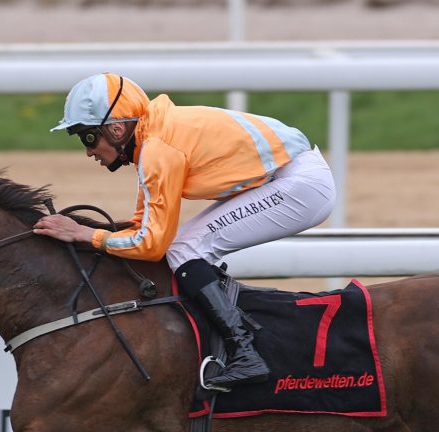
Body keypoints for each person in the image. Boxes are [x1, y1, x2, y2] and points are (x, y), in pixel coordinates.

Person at [33, 72, 337, 389]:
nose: (88, 151)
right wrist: (92, 234)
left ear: (116, 129)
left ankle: (244, 351)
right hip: (289, 177)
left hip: (299, 187)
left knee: (184, 249)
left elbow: (151, 245)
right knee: (184, 246)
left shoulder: (157, 149)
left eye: (88, 138)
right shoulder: (153, 136)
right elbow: (143, 224)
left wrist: (85, 235)